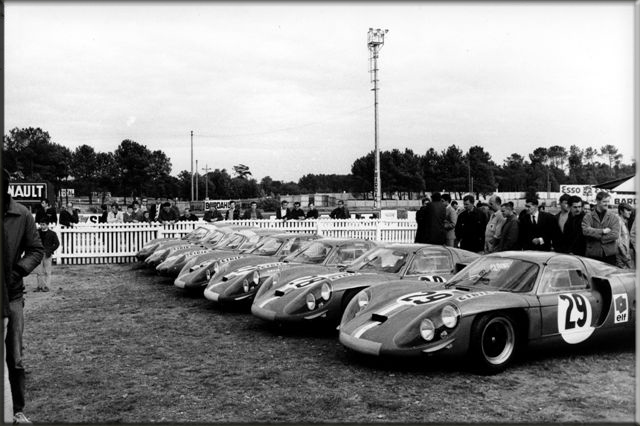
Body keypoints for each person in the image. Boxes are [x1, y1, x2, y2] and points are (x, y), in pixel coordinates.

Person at [3, 168, 45, 423]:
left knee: (14, 357)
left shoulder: (21, 214)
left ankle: (17, 410)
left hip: (12, 296)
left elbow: (36, 249)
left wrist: (19, 270)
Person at [581, 191, 620, 265]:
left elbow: (615, 234)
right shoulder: (588, 216)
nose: (607, 204)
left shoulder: (613, 217)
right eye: (604, 201)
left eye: (608, 201)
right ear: (597, 201)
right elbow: (585, 230)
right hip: (593, 254)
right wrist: (602, 231)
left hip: (609, 255)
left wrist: (595, 236)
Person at [34, 221, 60, 292]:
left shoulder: (52, 233)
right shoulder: (37, 232)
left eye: (43, 224)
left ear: (47, 225)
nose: (42, 226)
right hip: (39, 253)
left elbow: (57, 244)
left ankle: (46, 287)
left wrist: (50, 250)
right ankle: (39, 286)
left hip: (47, 254)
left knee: (47, 271)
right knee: (39, 271)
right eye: (41, 224)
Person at [615, 203, 634, 269]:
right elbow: (618, 241)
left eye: (630, 210)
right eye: (628, 210)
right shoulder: (618, 221)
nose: (630, 212)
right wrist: (625, 255)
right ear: (621, 211)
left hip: (625, 255)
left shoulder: (624, 222)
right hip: (621, 256)